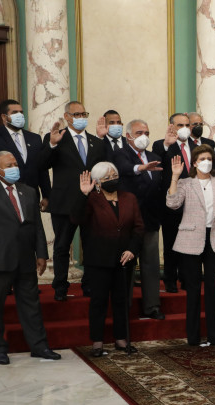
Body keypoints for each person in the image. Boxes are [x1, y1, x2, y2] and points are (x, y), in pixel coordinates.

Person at [0, 152, 60, 365]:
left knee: (31, 305)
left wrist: (42, 254)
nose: (15, 167)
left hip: (25, 257)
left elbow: (36, 225)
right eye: (9, 165)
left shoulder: (28, 191)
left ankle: (39, 346)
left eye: (15, 163)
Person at [72, 163, 144, 357]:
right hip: (99, 260)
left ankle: (121, 339)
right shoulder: (91, 199)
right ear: (97, 182)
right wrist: (83, 194)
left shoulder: (129, 198)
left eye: (114, 175)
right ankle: (97, 342)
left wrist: (132, 250)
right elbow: (76, 219)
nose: (113, 179)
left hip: (124, 260)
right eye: (107, 177)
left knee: (122, 300)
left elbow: (138, 228)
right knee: (99, 301)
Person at [166, 145, 215, 347]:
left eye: (209, 158)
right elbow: (172, 203)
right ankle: (193, 337)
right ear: (194, 163)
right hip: (190, 241)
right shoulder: (186, 183)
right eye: (202, 159)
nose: (207, 162)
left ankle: (214, 336)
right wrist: (175, 177)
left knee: (212, 288)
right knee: (193, 290)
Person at [44, 101, 107, 301]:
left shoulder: (96, 142)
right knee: (62, 246)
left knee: (91, 246)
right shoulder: (57, 138)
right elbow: (43, 164)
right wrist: (52, 144)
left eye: (84, 114)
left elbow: (105, 168)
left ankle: (89, 285)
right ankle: (60, 287)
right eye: (77, 114)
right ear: (67, 117)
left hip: (91, 203)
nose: (81, 118)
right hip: (64, 202)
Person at [113, 119, 166, 320]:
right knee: (126, 264)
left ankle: (152, 306)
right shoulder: (120, 154)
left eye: (147, 132)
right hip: (128, 221)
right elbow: (125, 169)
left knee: (151, 265)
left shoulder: (154, 157)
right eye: (139, 132)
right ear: (128, 136)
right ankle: (124, 308)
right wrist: (141, 168)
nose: (144, 136)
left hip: (150, 220)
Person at [0, 100, 51, 208]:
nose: (19, 115)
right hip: (1, 198)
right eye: (15, 113)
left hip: (30, 198)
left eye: (21, 112)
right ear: (4, 117)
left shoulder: (35, 138)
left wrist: (47, 196)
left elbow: (41, 168)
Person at [153, 113, 196, 293]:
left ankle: (187, 278)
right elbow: (156, 164)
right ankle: (170, 279)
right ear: (171, 126)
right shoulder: (161, 145)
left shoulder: (196, 146)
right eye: (180, 125)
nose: (184, 128)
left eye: (187, 125)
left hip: (193, 203)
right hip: (171, 203)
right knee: (171, 243)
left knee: (190, 243)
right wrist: (166, 144)